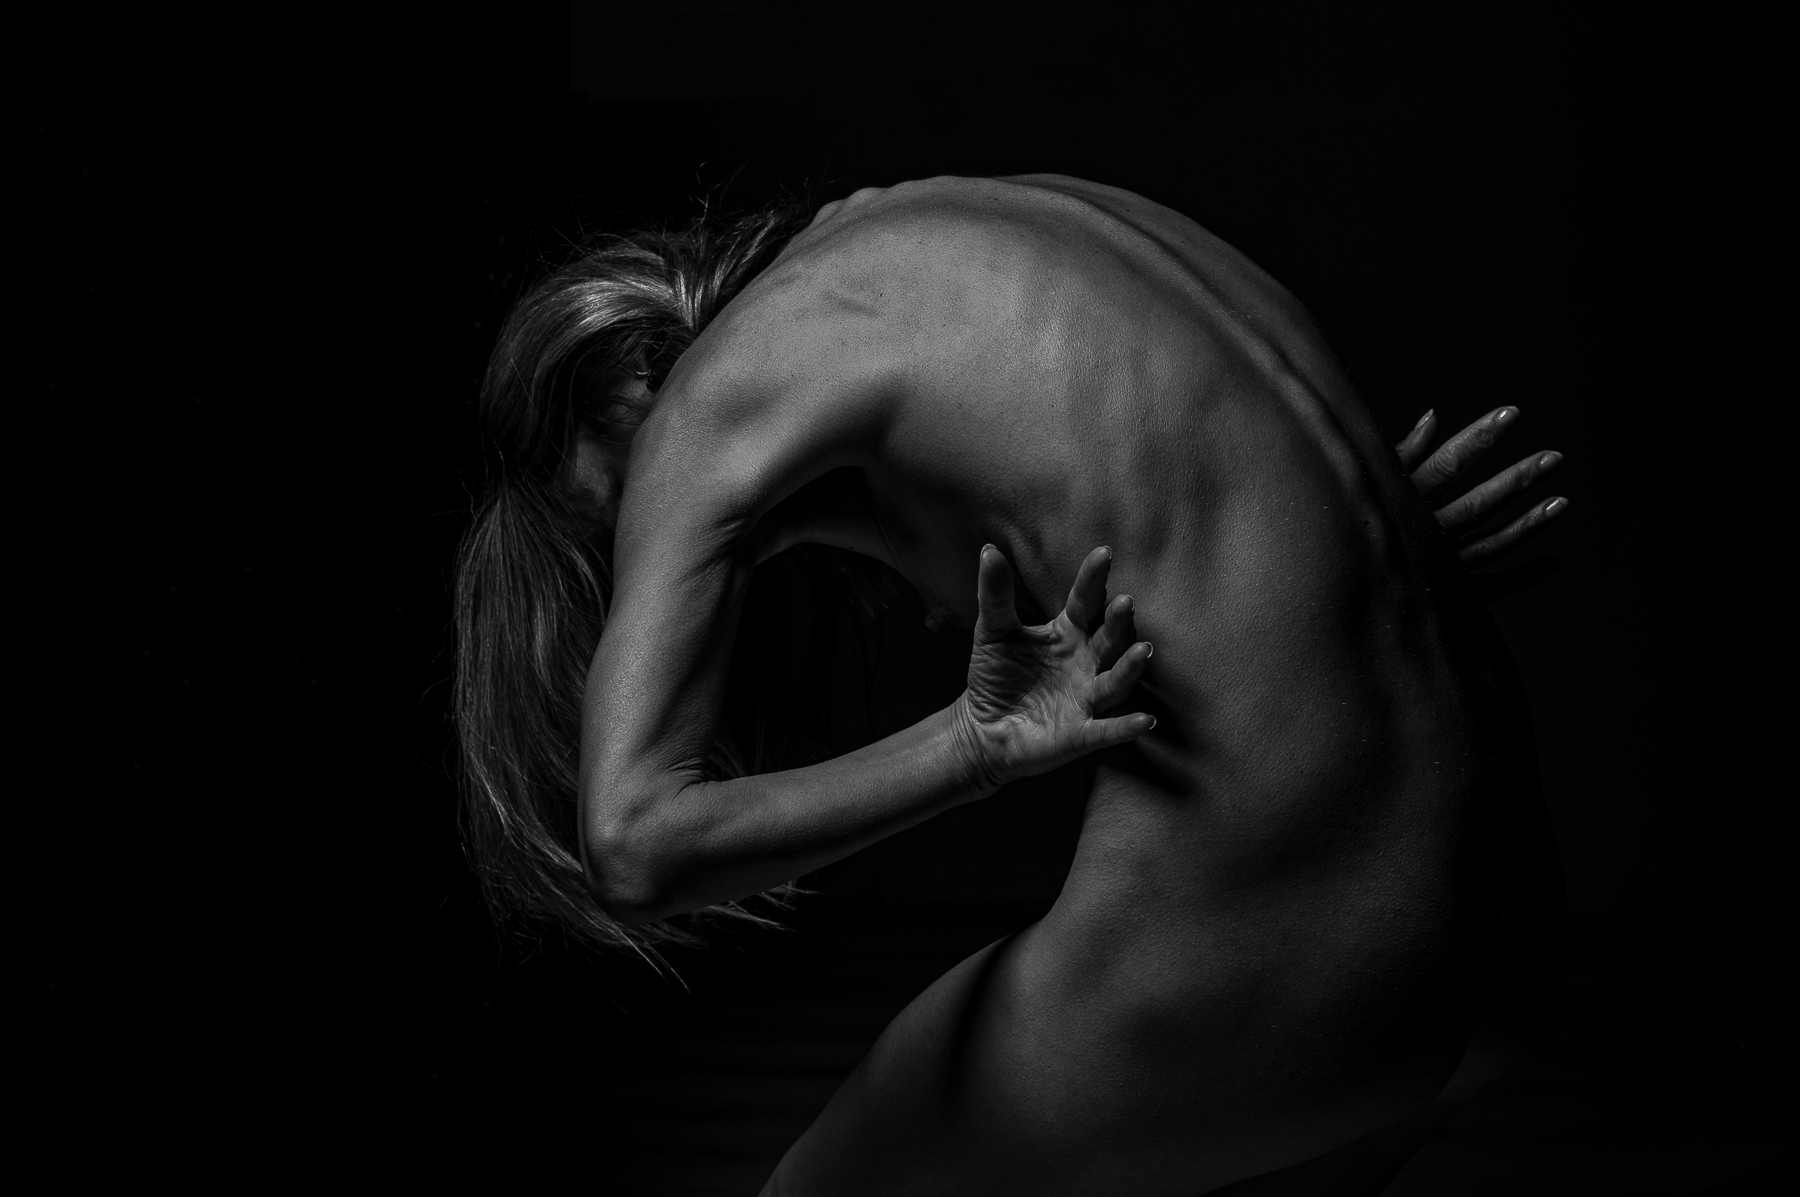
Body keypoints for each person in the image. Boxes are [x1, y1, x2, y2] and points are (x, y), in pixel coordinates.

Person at [455, 174, 1569, 1195]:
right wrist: (1362, 549)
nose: (659, 573)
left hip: (1304, 950)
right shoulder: (975, 229)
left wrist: (972, 744)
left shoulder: (706, 404)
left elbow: (637, 845)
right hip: (1500, 933)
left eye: (621, 522)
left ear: (619, 391)